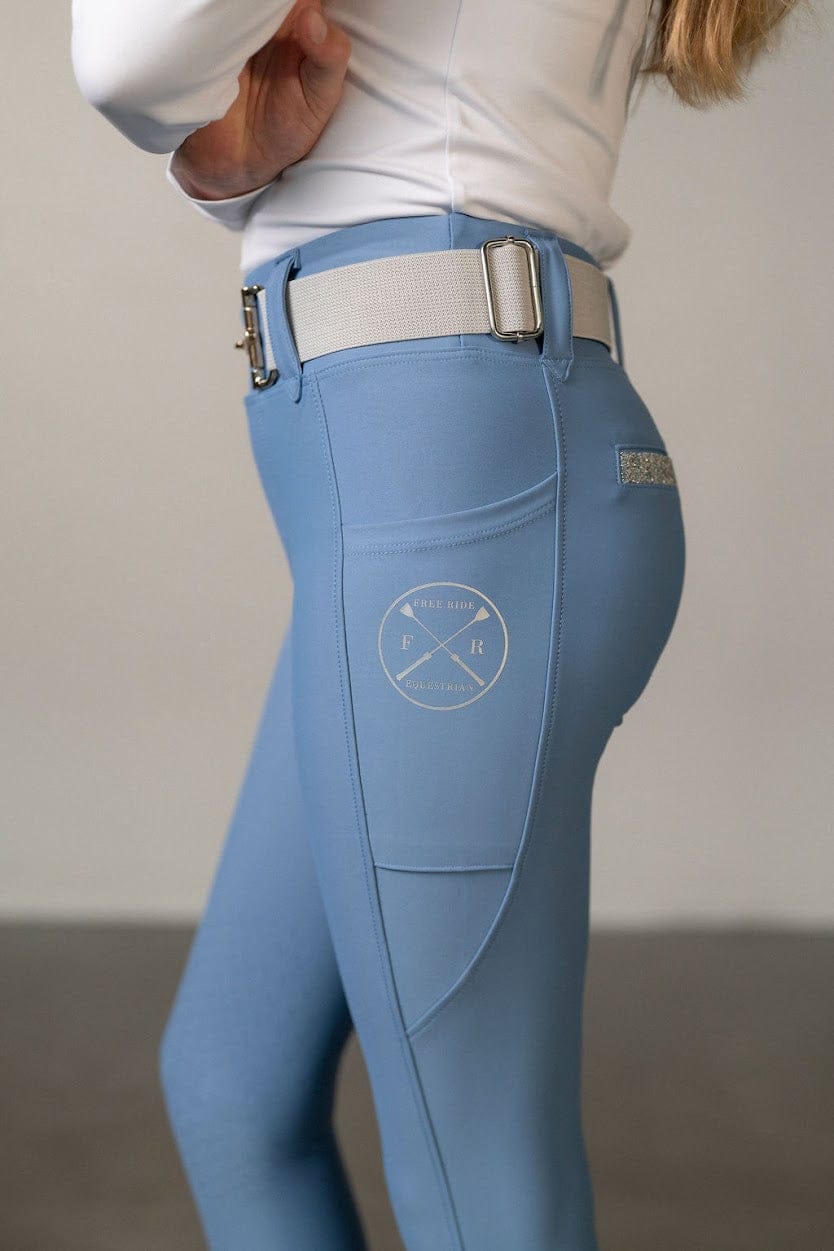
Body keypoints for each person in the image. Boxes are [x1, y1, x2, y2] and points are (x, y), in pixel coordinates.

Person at [70, 3, 803, 1249]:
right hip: (459, 460)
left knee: (478, 1182)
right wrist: (225, 162)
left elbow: (130, 54)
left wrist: (182, 114)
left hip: (452, 483)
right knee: (234, 1087)